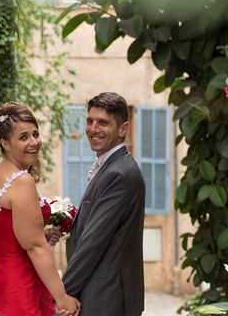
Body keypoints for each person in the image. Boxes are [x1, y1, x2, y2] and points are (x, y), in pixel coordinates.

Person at [0, 102, 80, 316]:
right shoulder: (22, 181)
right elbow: (35, 247)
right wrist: (62, 298)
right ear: (5, 143)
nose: (34, 142)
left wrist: (36, 231)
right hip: (13, 290)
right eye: (23, 137)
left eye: (35, 134)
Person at [62, 92, 146, 316]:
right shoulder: (111, 167)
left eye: (103, 123)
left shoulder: (119, 173)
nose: (93, 129)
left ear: (123, 129)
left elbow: (93, 243)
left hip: (106, 298)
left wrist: (62, 295)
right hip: (101, 294)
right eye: (90, 121)